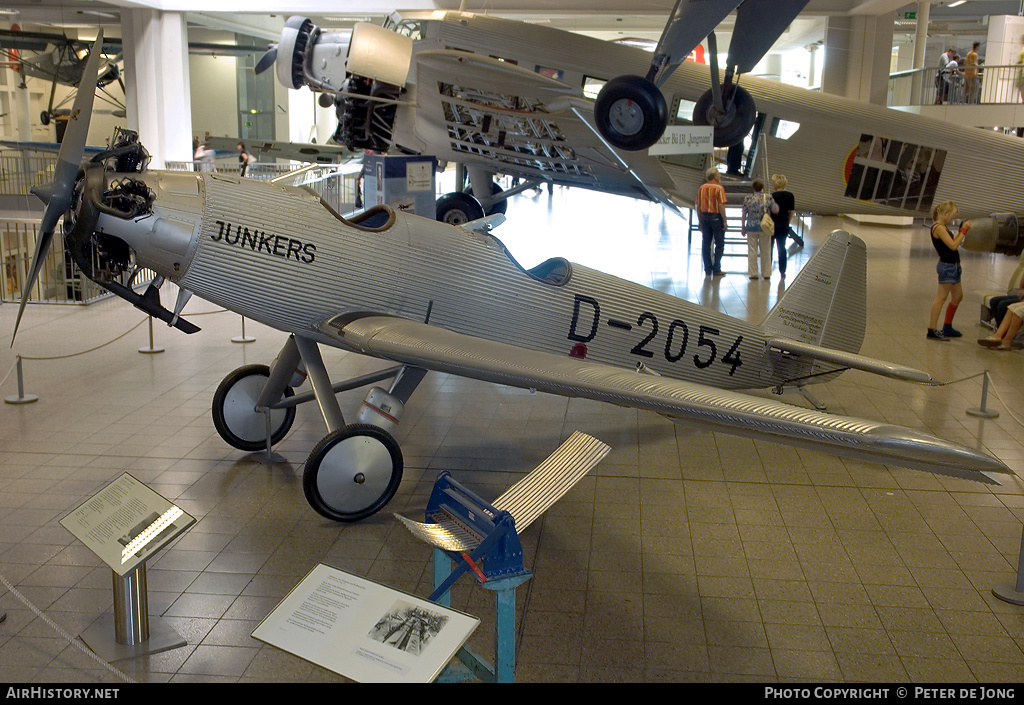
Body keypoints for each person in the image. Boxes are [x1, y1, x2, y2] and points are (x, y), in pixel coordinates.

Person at [927, 201, 971, 340]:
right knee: (940, 298)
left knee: (958, 296)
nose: (953, 219)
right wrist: (963, 231)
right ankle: (932, 329)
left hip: (953, 265)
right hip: (948, 267)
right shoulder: (938, 227)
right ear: (945, 214)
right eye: (952, 216)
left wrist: (960, 233)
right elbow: (953, 246)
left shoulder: (942, 227)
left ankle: (947, 326)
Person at [741, 178, 775, 279]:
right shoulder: (768, 197)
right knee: (766, 250)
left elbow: (743, 213)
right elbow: (776, 209)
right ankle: (766, 273)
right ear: (762, 187)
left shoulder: (748, 198)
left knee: (752, 250)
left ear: (753, 187)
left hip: (751, 227)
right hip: (764, 227)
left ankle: (753, 273)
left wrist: (743, 226)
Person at [697, 167, 727, 277]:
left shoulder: (702, 188)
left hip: (704, 217)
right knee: (719, 243)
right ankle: (717, 268)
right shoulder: (719, 188)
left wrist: (700, 221)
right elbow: (721, 205)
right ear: (715, 176)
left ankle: (707, 269)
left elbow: (699, 206)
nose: (720, 176)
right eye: (719, 174)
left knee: (706, 243)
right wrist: (724, 220)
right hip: (716, 218)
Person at [768, 174, 795, 277]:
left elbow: (769, 211)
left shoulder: (772, 196)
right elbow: (791, 211)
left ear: (777, 184)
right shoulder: (790, 195)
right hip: (784, 223)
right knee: (782, 247)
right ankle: (782, 270)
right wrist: (787, 221)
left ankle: (768, 269)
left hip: (773, 224)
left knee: (769, 247)